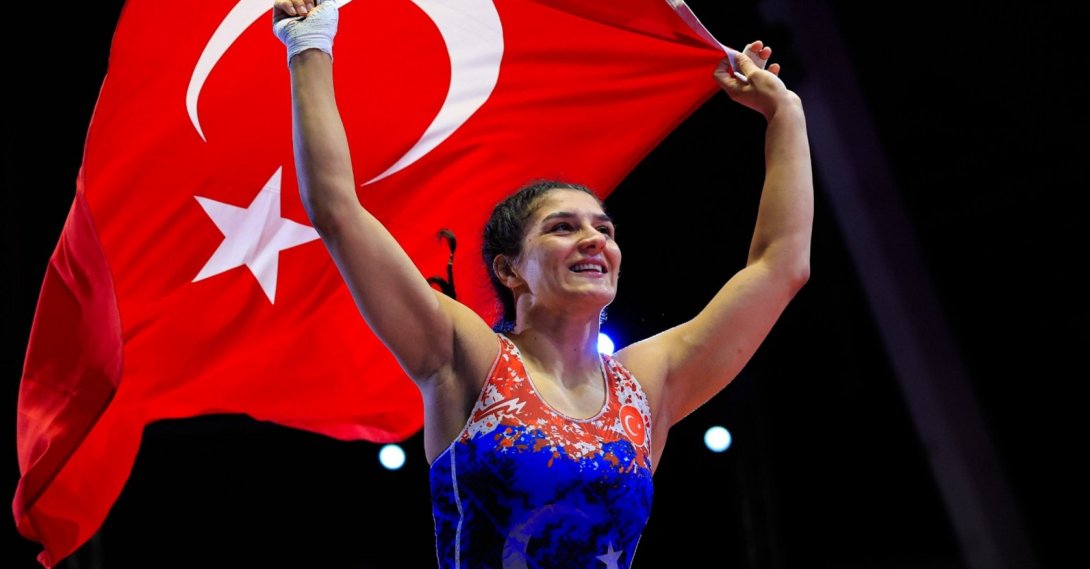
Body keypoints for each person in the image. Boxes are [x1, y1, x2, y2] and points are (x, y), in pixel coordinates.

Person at [272, 1, 812, 567]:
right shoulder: (467, 357)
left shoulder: (648, 387)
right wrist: (309, 43)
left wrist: (786, 116)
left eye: (604, 229)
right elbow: (338, 211)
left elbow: (780, 267)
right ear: (508, 270)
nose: (593, 240)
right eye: (562, 228)